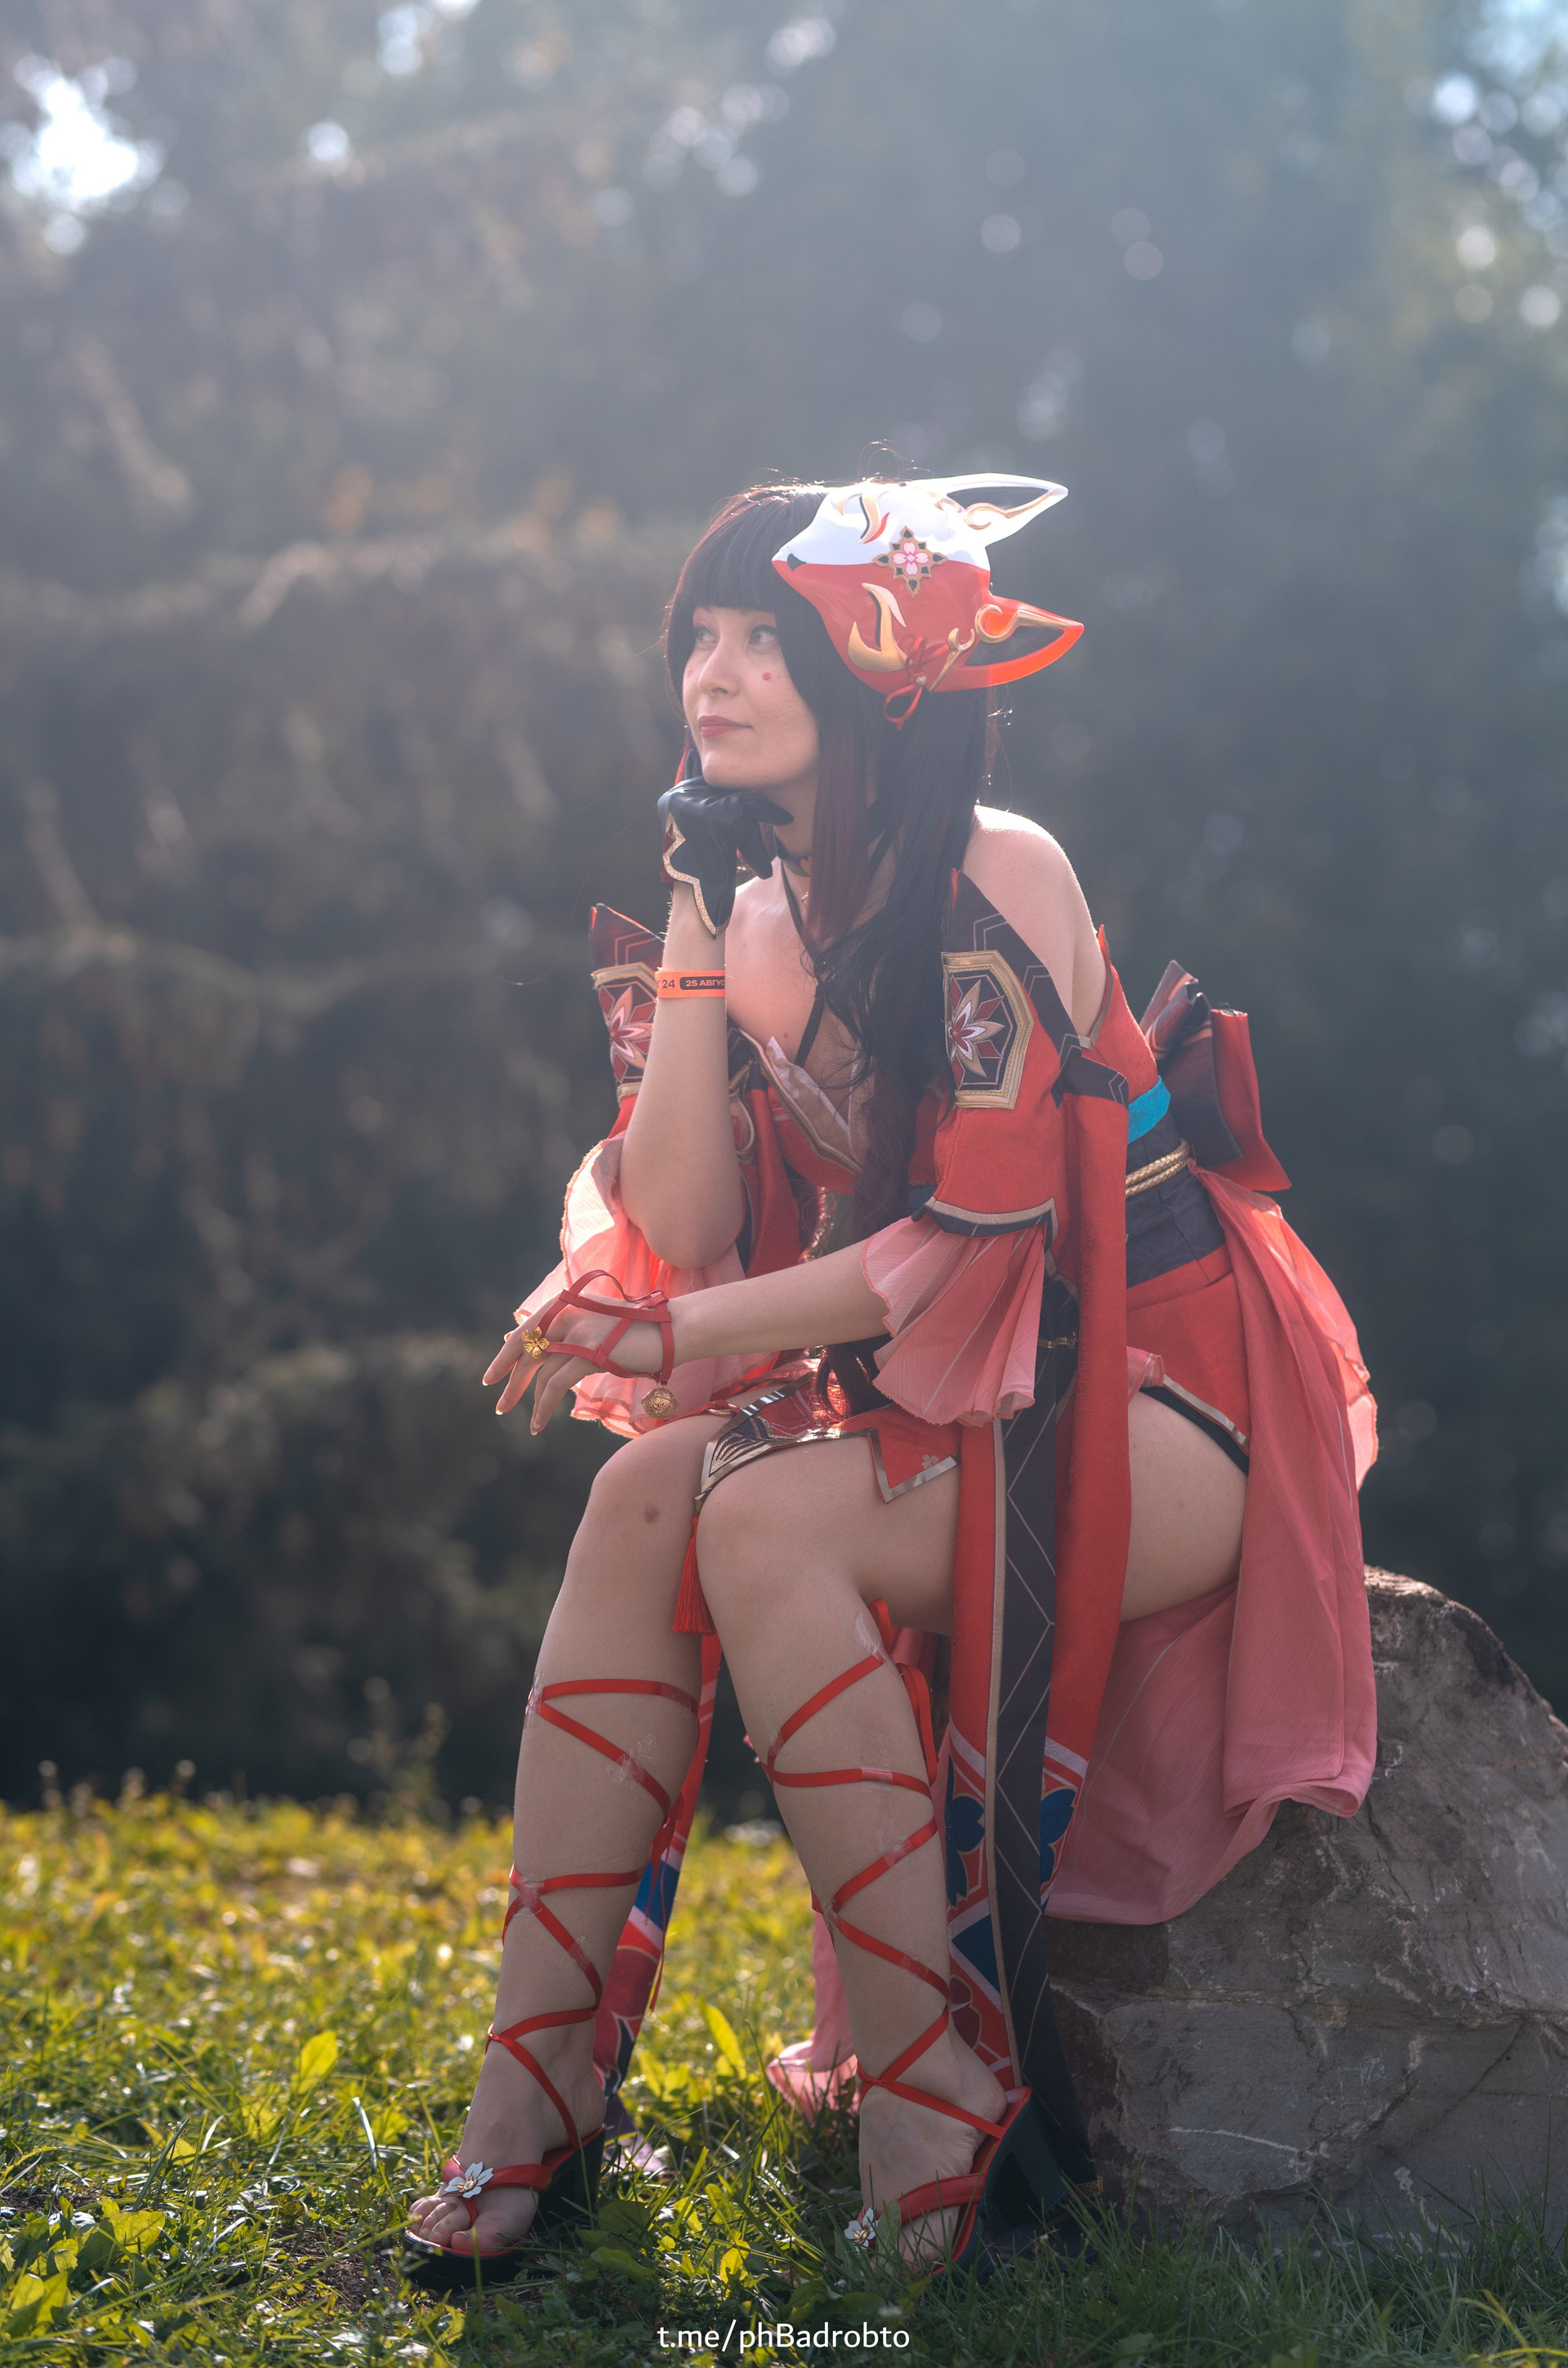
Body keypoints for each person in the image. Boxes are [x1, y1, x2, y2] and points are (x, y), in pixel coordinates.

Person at [403, 476, 1378, 2285]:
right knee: (641, 1492)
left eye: (764, 641)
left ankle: (932, 2100)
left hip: (1160, 1393)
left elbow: (968, 1249)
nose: (712, 674)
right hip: (948, 1394)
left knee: (761, 1516)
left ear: (881, 675)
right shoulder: (750, 903)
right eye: (699, 635)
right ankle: (533, 2086)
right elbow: (687, 1219)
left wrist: (669, 1341)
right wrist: (695, 924)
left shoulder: (999, 872)